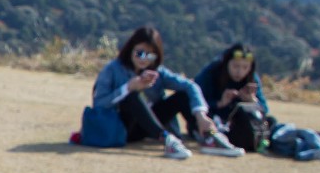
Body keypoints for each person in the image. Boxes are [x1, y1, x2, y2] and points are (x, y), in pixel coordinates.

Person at [91, 25, 241, 159]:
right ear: (130, 49)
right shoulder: (112, 69)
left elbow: (190, 86)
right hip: (121, 127)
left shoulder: (157, 72)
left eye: (150, 55)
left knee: (182, 95)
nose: (144, 59)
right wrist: (128, 88)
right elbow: (99, 103)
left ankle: (209, 136)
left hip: (149, 125)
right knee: (132, 97)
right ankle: (166, 139)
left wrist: (201, 115)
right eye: (140, 53)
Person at [196, 42, 272, 153]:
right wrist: (220, 103)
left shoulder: (252, 79)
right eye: (235, 66)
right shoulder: (211, 73)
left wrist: (252, 101)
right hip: (213, 118)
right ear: (226, 63)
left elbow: (264, 109)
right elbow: (195, 99)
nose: (240, 72)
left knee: (270, 122)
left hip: (237, 125)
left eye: (245, 67)